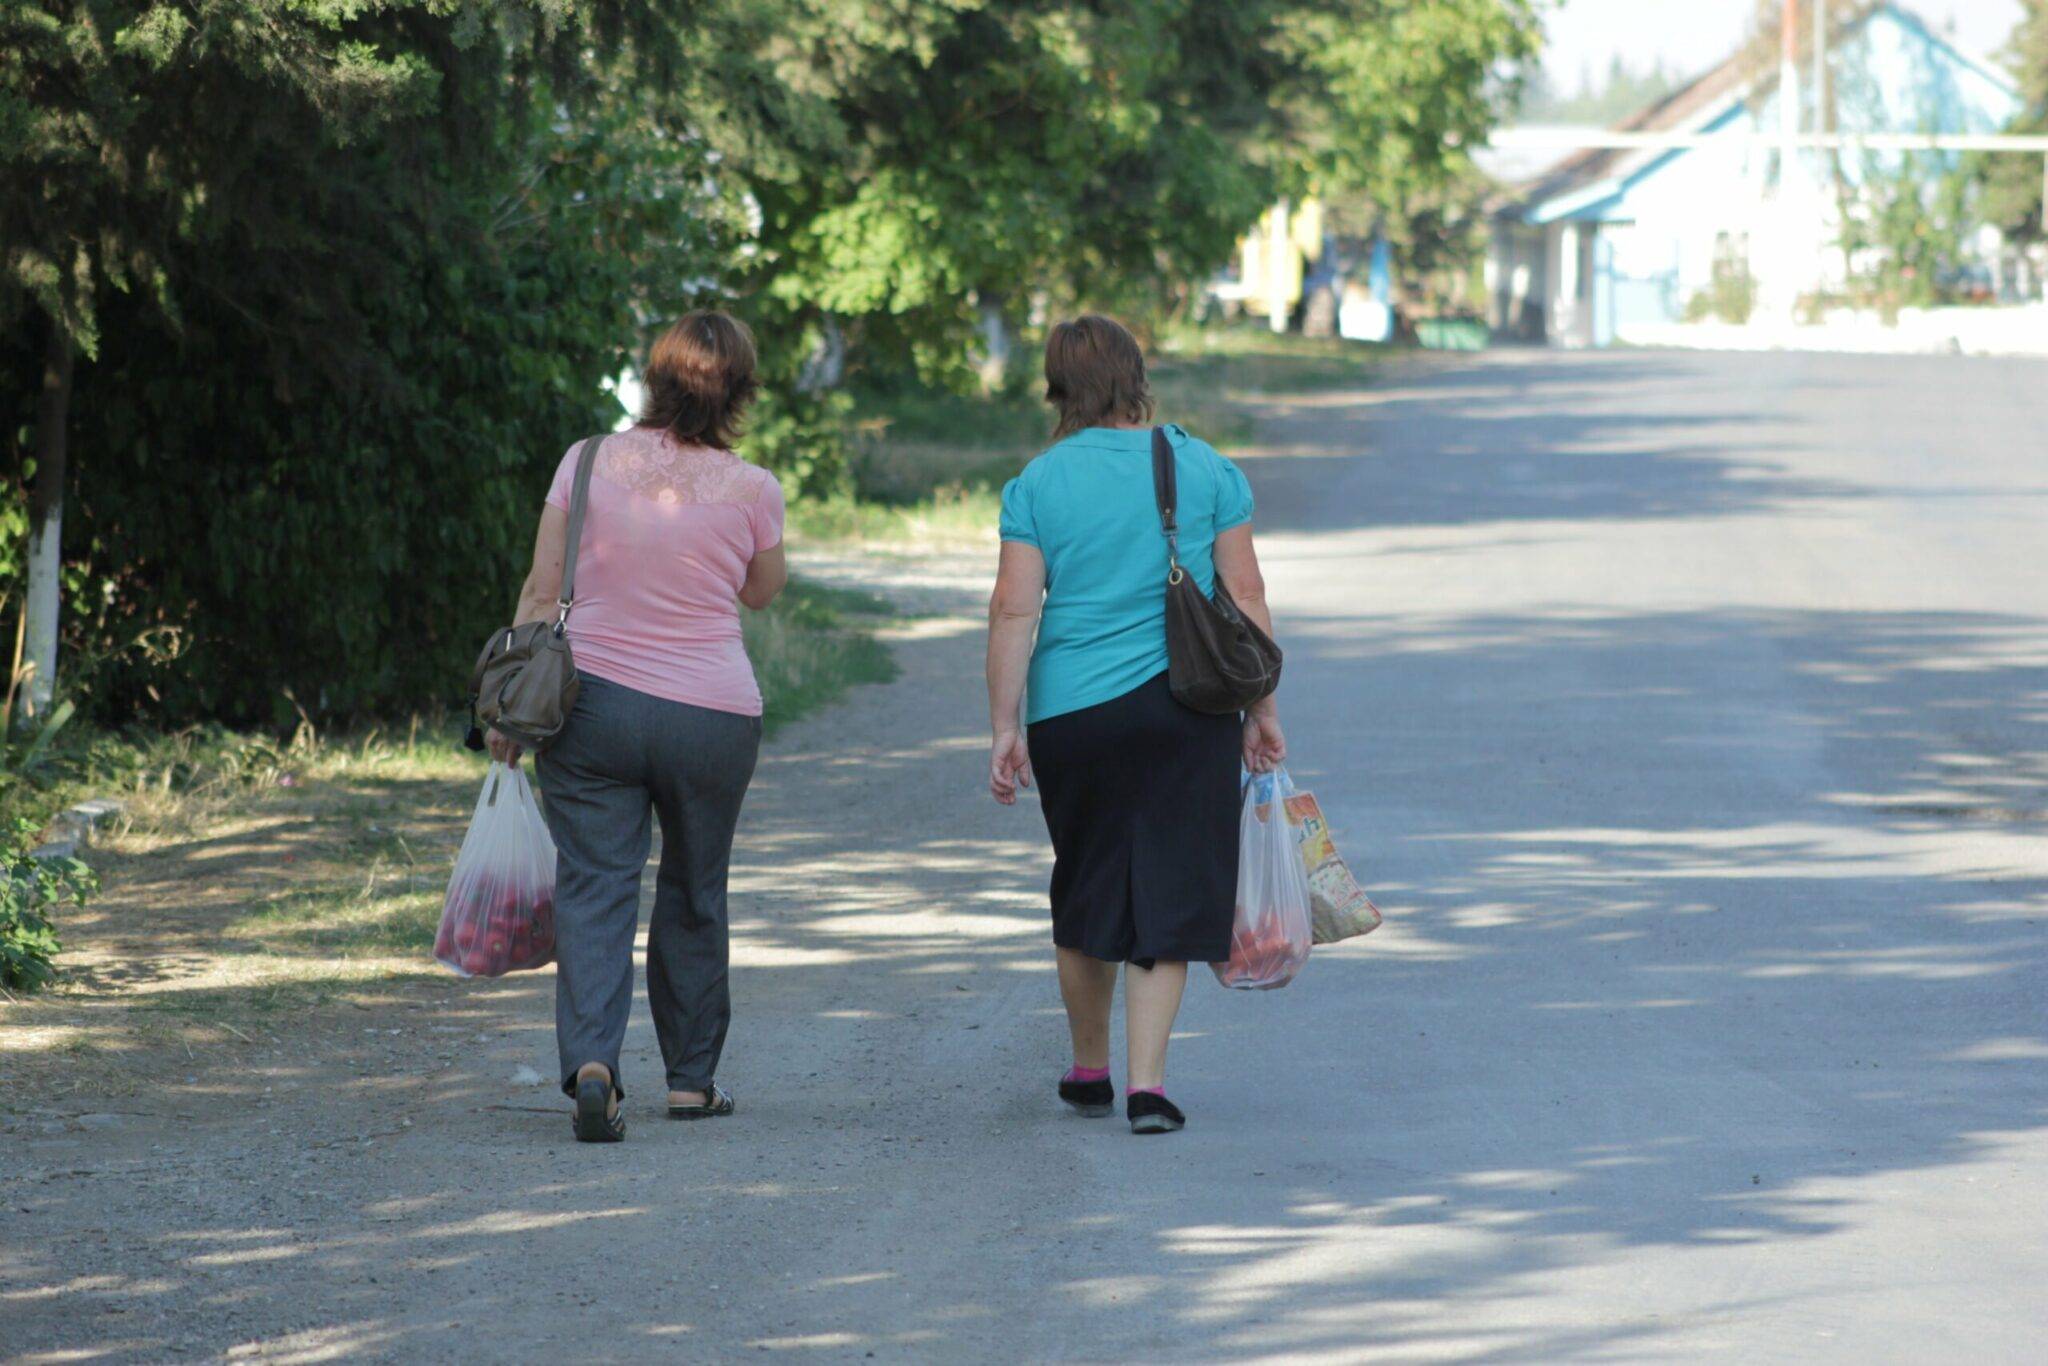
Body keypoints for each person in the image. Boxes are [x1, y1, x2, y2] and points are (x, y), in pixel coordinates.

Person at [488, 310, 787, 1143]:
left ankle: (593, 1065)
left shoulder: (584, 463)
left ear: (653, 376)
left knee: (594, 886)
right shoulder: (755, 487)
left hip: (592, 710)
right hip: (713, 718)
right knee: (694, 890)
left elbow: (542, 590)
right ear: (740, 391)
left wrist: (507, 711)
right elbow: (761, 592)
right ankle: (691, 1083)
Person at [986, 314, 1285, 1136]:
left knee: (1087, 876)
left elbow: (1014, 609)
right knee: (1172, 882)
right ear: (1137, 377)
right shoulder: (1205, 465)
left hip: (1072, 714)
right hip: (1189, 708)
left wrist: (1004, 726)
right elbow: (1246, 597)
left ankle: (1090, 1071)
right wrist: (1262, 709)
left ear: (1058, 386)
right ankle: (1147, 1089)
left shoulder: (1038, 483)